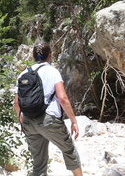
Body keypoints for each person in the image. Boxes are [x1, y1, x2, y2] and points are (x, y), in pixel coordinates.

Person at [14, 42, 83, 176]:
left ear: (33, 56)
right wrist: (73, 121)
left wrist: (22, 121)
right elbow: (62, 98)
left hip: (28, 120)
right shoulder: (53, 72)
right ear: (50, 56)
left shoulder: (23, 74)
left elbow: (16, 103)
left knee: (38, 162)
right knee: (68, 150)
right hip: (49, 120)